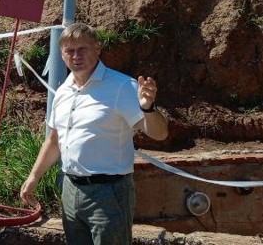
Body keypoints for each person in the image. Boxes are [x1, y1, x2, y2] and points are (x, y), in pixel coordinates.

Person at [19, 22, 169, 245]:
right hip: (70, 189)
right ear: (62, 55)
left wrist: (148, 108)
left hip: (109, 192)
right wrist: (34, 177)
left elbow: (159, 134)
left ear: (98, 48)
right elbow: (54, 141)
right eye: (70, 50)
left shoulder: (121, 87)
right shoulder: (62, 91)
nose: (76, 55)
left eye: (83, 49)